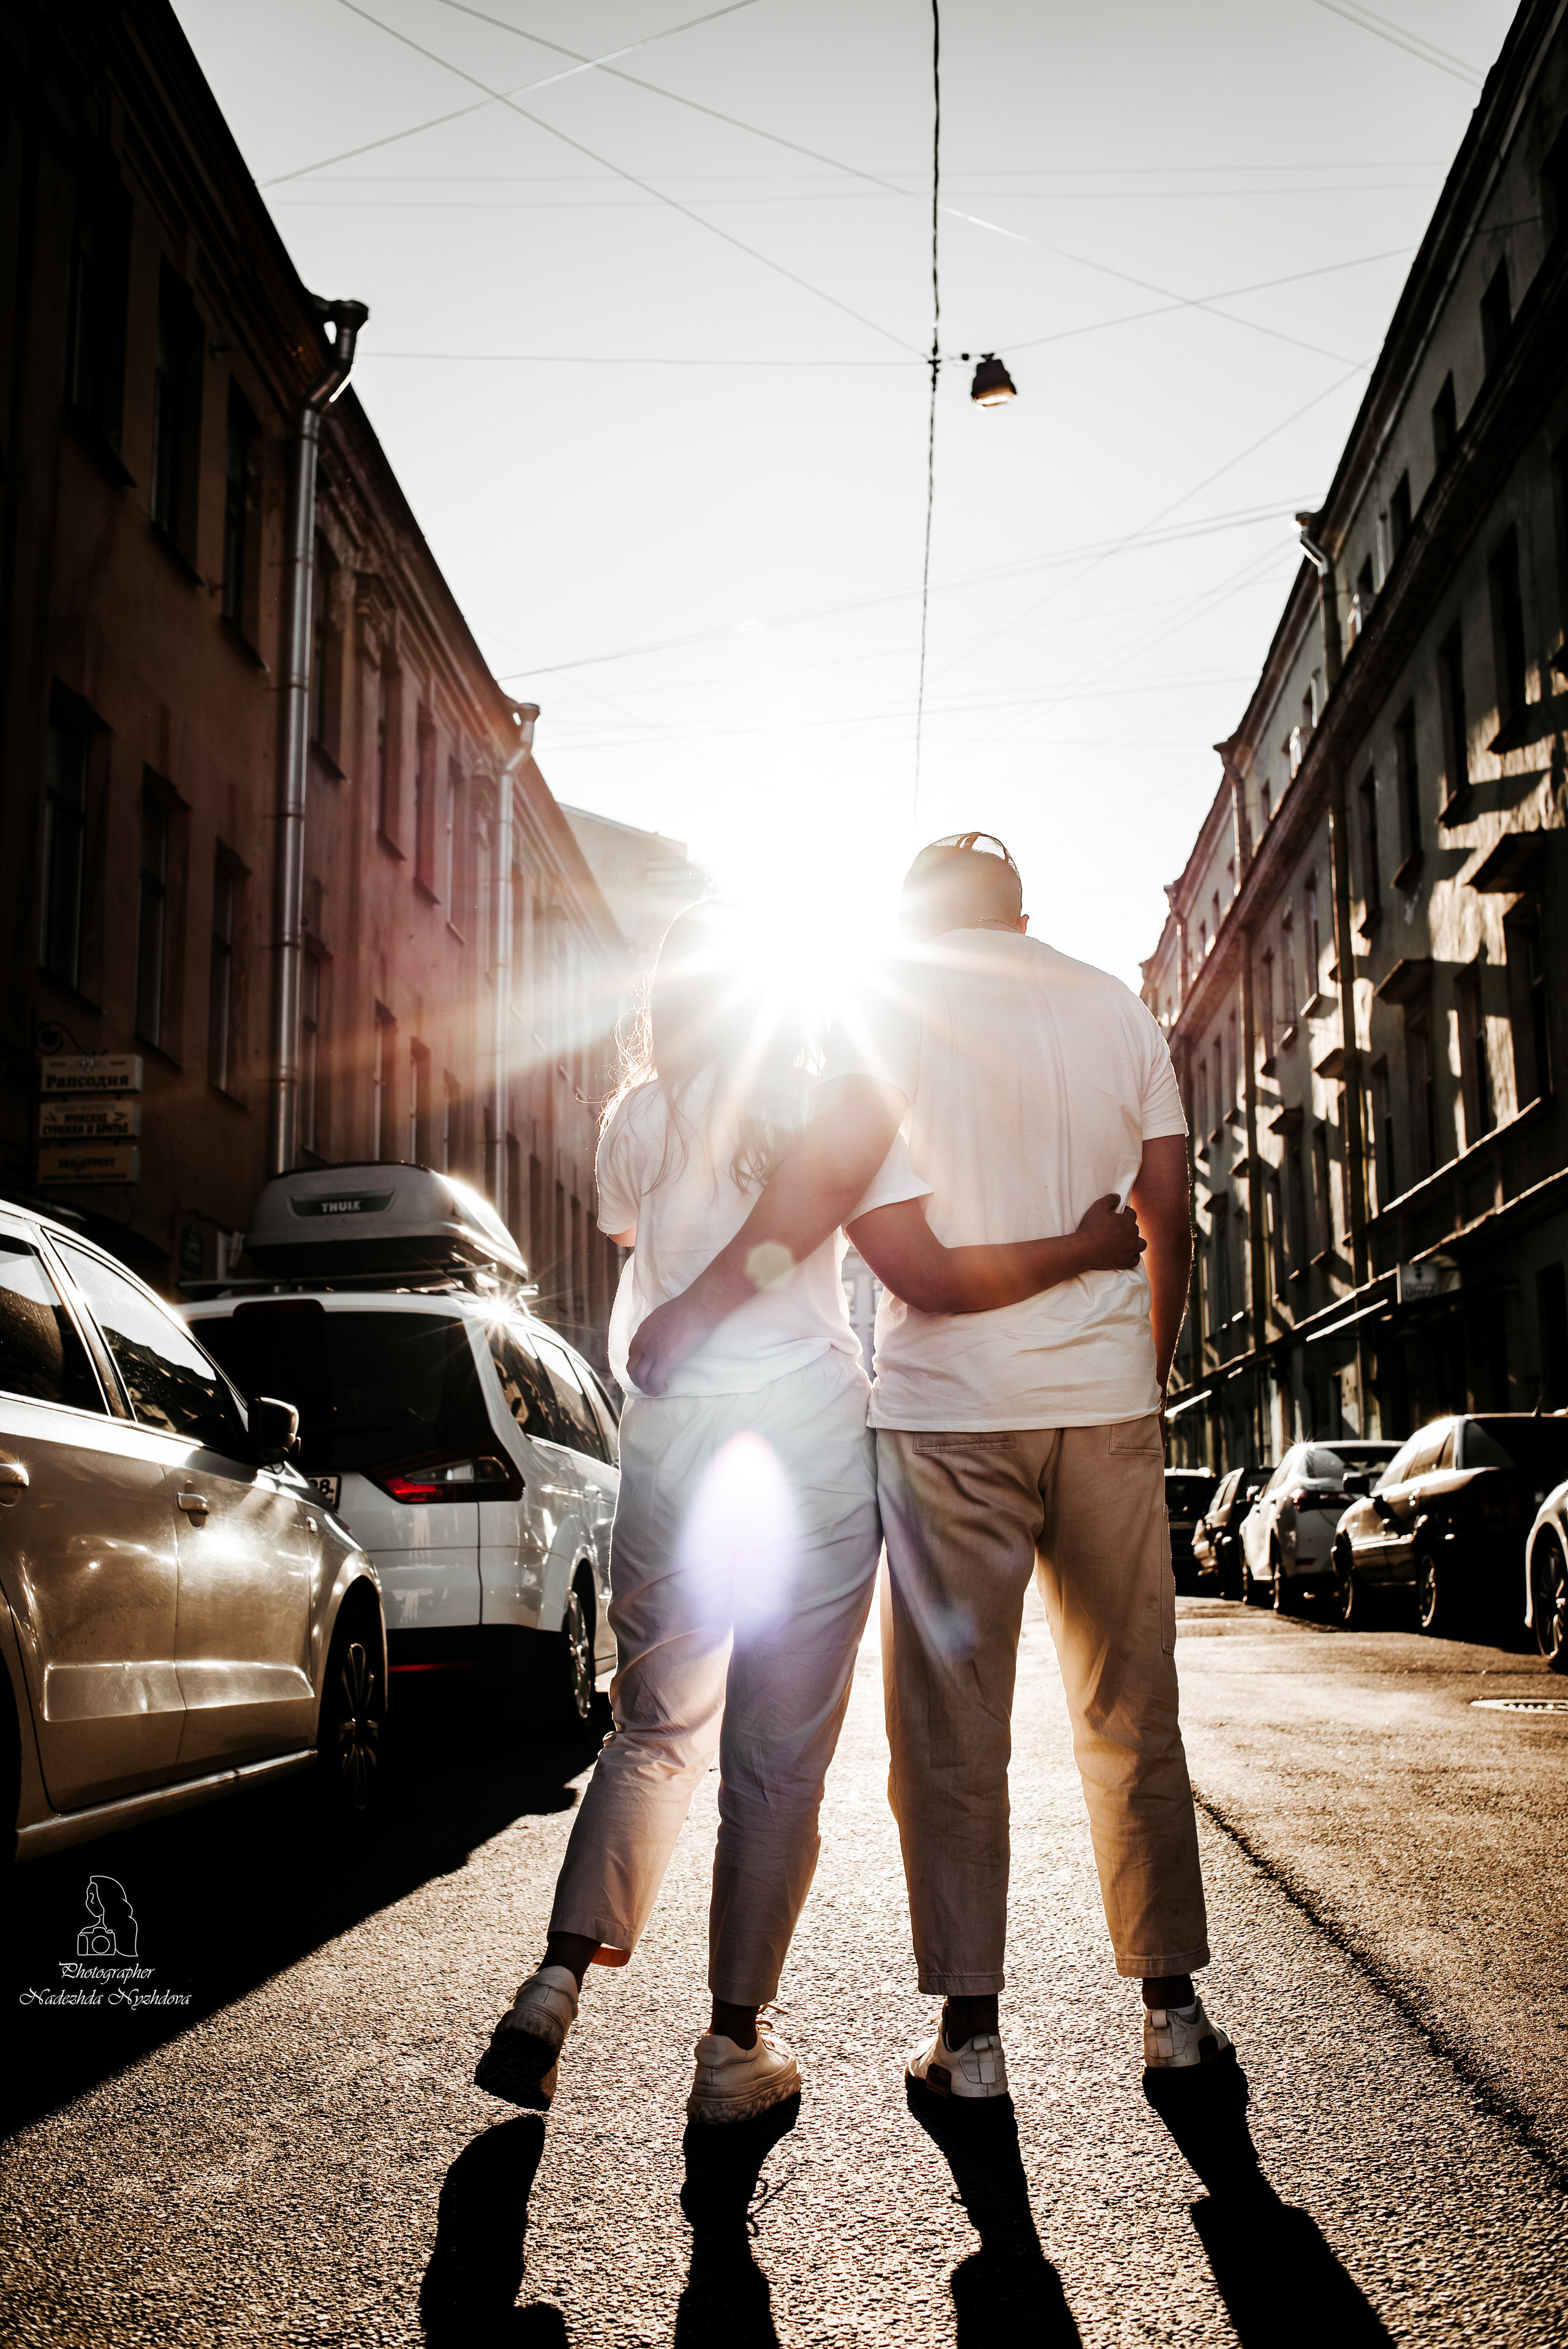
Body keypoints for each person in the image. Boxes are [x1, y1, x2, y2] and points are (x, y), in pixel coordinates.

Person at [474, 899, 1147, 2125]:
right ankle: (731, 2049)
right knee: (772, 1770)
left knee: (648, 1729)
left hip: (674, 1445)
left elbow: (625, 1228)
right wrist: (1076, 1244)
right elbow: (912, 1265)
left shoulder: (633, 1119)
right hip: (810, 1452)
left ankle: (553, 1986)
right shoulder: (838, 1102)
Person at [628, 837, 1240, 2122]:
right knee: (1132, 1713)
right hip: (1100, 1408)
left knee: (950, 1733)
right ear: (1021, 913)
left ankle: (970, 2040)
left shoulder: (881, 1017)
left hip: (941, 1424)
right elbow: (1169, 1210)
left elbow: (897, 1258)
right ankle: (1171, 2014)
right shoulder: (1113, 1007)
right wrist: (1146, 1368)